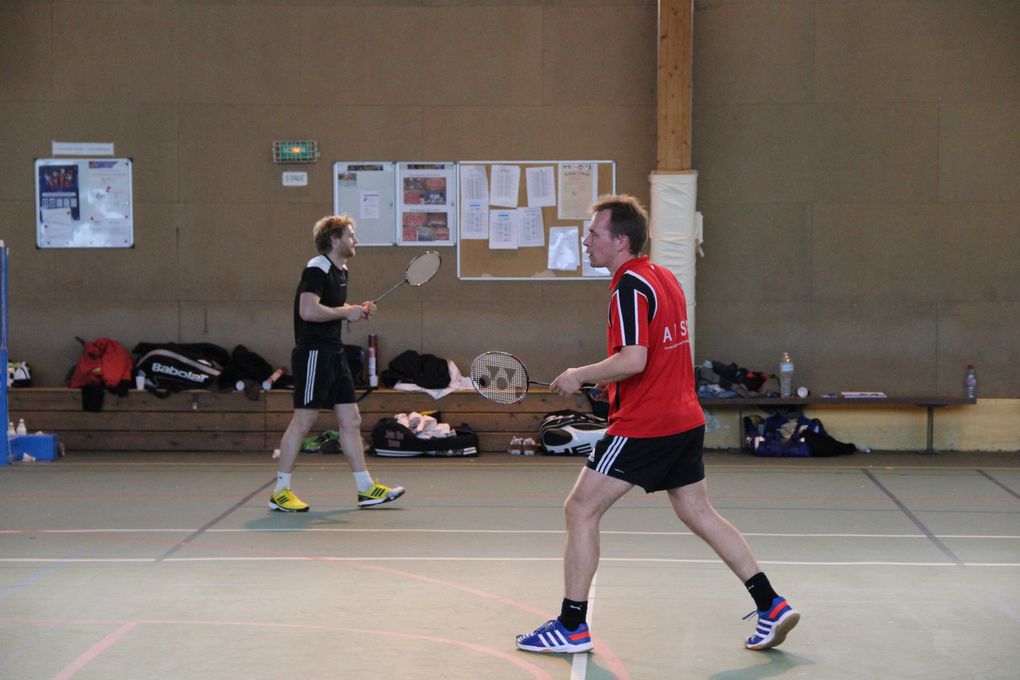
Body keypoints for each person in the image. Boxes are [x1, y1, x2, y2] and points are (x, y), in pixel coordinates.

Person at [515, 195, 798, 654]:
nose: (586, 241)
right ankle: (770, 604)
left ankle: (571, 626)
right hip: (685, 417)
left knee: (579, 509)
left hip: (647, 425)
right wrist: (606, 387)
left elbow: (634, 358)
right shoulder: (663, 278)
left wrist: (580, 375)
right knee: (697, 512)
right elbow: (659, 356)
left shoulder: (628, 287)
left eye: (594, 233)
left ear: (620, 240)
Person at [269, 215, 404, 512]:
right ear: (334, 239)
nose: (356, 240)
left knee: (351, 420)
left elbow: (329, 308)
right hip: (313, 353)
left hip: (334, 353)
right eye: (351, 235)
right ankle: (280, 491)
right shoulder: (317, 268)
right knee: (304, 420)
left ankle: (366, 488)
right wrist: (346, 313)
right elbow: (307, 311)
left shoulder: (341, 271)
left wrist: (356, 309)